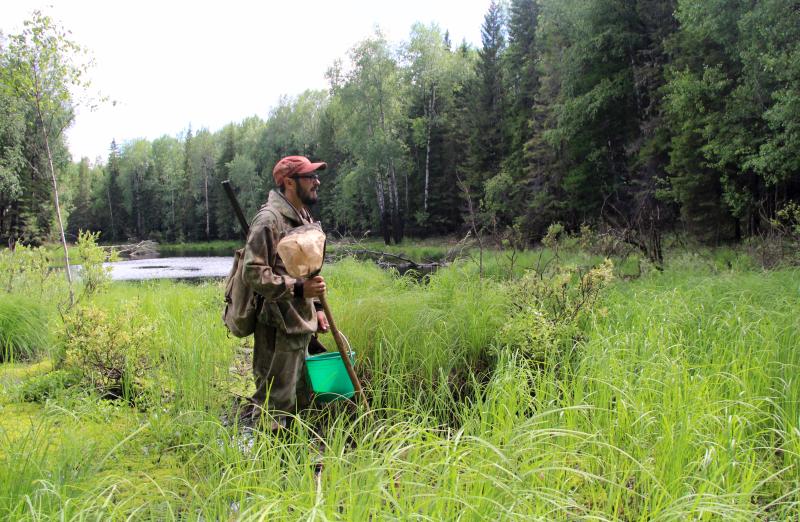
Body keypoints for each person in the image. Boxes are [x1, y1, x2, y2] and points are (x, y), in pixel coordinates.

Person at [241, 155, 329, 427]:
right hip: (277, 327)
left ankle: (296, 464)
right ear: (290, 182)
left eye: (316, 176)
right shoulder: (269, 220)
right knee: (274, 405)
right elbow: (253, 272)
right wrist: (300, 289)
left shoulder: (303, 216)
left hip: (300, 323)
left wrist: (317, 309)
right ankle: (268, 466)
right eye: (310, 177)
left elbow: (306, 270)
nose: (317, 182)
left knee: (301, 400)